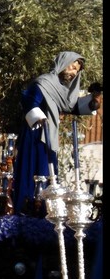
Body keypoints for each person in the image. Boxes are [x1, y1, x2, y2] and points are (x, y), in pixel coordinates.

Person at [12, 51, 102, 214]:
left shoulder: (62, 90)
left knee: (48, 173)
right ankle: (26, 211)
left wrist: (93, 99)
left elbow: (71, 106)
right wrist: (39, 117)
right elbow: (29, 100)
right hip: (35, 134)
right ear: (62, 64)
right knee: (32, 170)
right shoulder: (44, 82)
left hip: (50, 137)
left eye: (76, 70)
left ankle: (45, 213)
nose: (73, 72)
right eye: (72, 67)